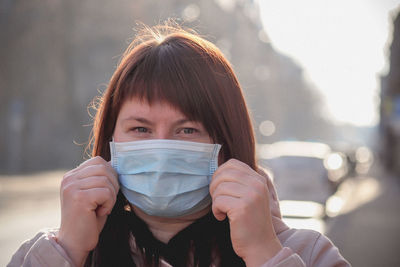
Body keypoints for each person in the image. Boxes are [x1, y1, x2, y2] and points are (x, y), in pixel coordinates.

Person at [8, 23, 350, 267]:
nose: (161, 149)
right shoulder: (50, 254)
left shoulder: (306, 254)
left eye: (187, 130)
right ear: (111, 142)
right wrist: (67, 249)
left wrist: (264, 253)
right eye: (140, 128)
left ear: (226, 143)